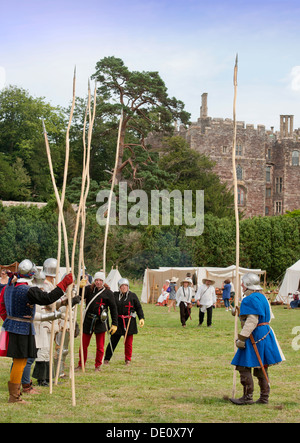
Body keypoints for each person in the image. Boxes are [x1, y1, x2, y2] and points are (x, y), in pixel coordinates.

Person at [2, 259, 73, 403]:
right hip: (21, 328)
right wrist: (64, 283)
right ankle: (14, 397)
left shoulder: (10, 286)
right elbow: (47, 299)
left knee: (20, 362)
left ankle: (16, 394)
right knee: (20, 362)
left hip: (14, 326)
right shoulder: (28, 290)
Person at [230, 273, 285, 405]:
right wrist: (238, 311)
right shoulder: (262, 297)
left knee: (243, 365)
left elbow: (252, 320)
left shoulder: (250, 299)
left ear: (248, 284)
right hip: (265, 332)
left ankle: (247, 397)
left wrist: (242, 338)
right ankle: (264, 397)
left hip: (255, 335)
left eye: (243, 283)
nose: (241, 285)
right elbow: (264, 315)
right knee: (261, 367)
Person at [76, 272, 118, 371]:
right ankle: (81, 364)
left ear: (103, 281)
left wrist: (114, 324)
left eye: (100, 280)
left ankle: (98, 365)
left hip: (101, 322)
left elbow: (113, 309)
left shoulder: (108, 293)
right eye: (97, 280)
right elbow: (79, 296)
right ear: (94, 280)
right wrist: (81, 287)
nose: (98, 282)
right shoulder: (89, 289)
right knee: (83, 345)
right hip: (88, 320)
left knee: (100, 346)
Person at [104, 278, 145, 365]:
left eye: (126, 286)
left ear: (128, 286)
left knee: (128, 343)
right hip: (117, 322)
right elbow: (108, 299)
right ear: (119, 287)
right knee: (113, 341)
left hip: (130, 322)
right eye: (122, 286)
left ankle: (127, 360)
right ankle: (107, 359)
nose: (124, 287)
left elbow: (138, 307)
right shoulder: (114, 295)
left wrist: (141, 318)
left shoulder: (133, 296)